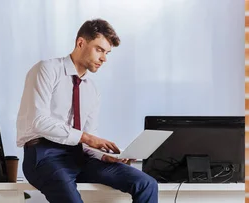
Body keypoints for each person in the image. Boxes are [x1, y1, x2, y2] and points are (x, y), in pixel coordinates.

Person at [16, 19, 158, 203]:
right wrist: (88, 138)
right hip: (44, 156)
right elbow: (39, 121)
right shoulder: (47, 69)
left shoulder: (92, 89)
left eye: (107, 53)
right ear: (81, 43)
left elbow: (88, 139)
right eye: (99, 49)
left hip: (79, 156)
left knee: (146, 184)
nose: (104, 58)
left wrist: (104, 156)